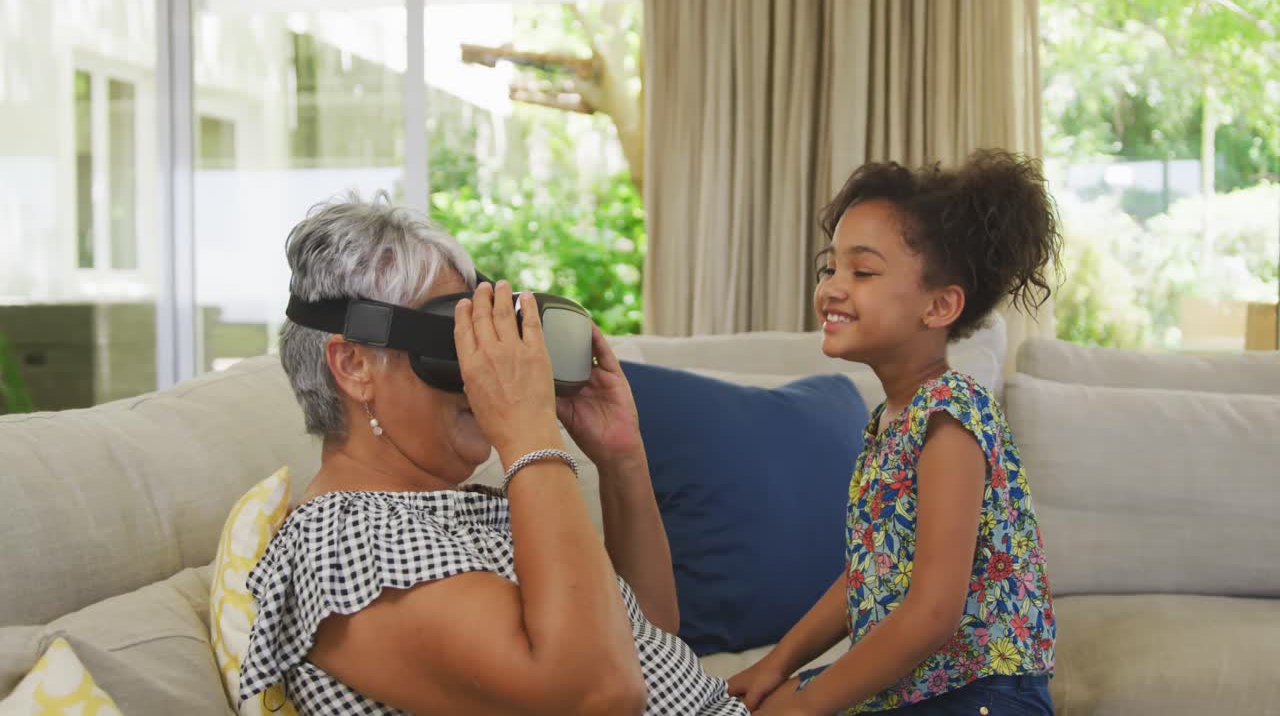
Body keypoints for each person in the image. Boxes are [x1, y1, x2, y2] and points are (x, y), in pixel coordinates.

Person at [238, 193, 748, 715]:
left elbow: (649, 631)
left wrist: (621, 459)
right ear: (354, 366)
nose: (481, 368)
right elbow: (599, 696)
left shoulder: (462, 507)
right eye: (454, 339)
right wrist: (529, 433)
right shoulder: (344, 545)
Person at [729, 150, 1061, 715]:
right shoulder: (890, 421)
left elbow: (933, 614)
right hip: (919, 686)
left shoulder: (951, 415)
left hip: (978, 697)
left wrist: (809, 705)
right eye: (829, 267)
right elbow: (869, 572)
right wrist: (779, 663)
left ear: (940, 306)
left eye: (862, 271)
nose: (833, 286)